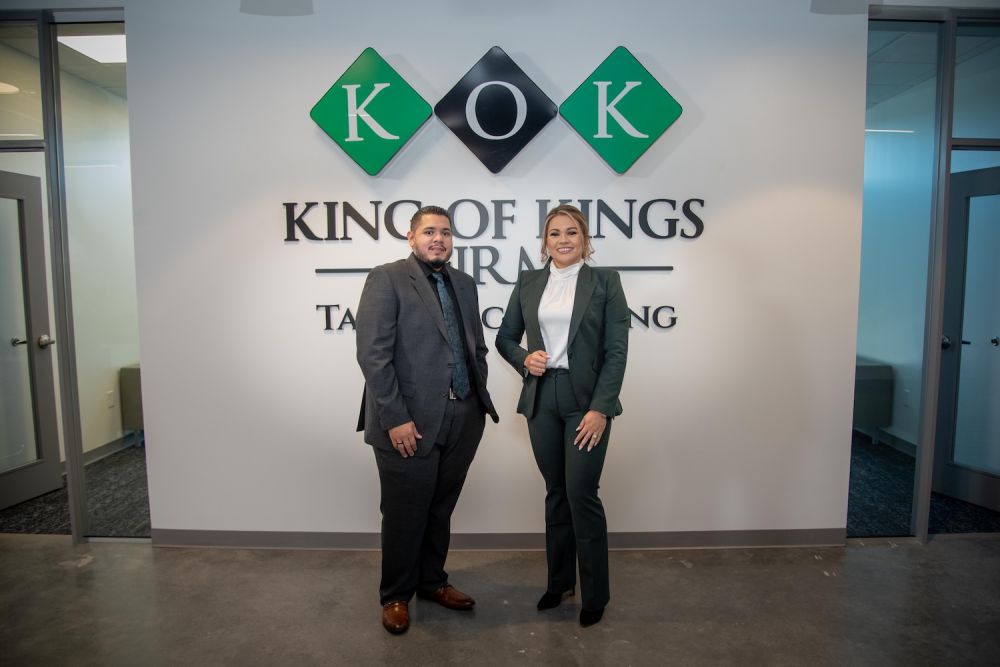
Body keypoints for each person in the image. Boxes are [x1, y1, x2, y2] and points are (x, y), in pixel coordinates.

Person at [356, 205, 499, 635]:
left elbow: (476, 347)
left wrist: (475, 396)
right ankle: (396, 595)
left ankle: (432, 581)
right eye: (429, 231)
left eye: (445, 232)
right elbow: (373, 356)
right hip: (408, 422)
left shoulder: (464, 283)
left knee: (440, 507)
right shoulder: (387, 278)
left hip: (463, 416)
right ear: (411, 237)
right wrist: (395, 418)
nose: (438, 238)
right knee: (404, 512)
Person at [495, 204, 629, 627]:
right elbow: (504, 338)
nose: (564, 239)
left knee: (581, 495)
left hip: (584, 401)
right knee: (555, 491)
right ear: (544, 241)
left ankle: (595, 593)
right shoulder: (530, 281)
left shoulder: (605, 281)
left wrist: (600, 409)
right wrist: (524, 359)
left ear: (585, 239)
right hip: (542, 399)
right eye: (555, 233)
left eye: (572, 232)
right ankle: (559, 583)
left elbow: (616, 351)